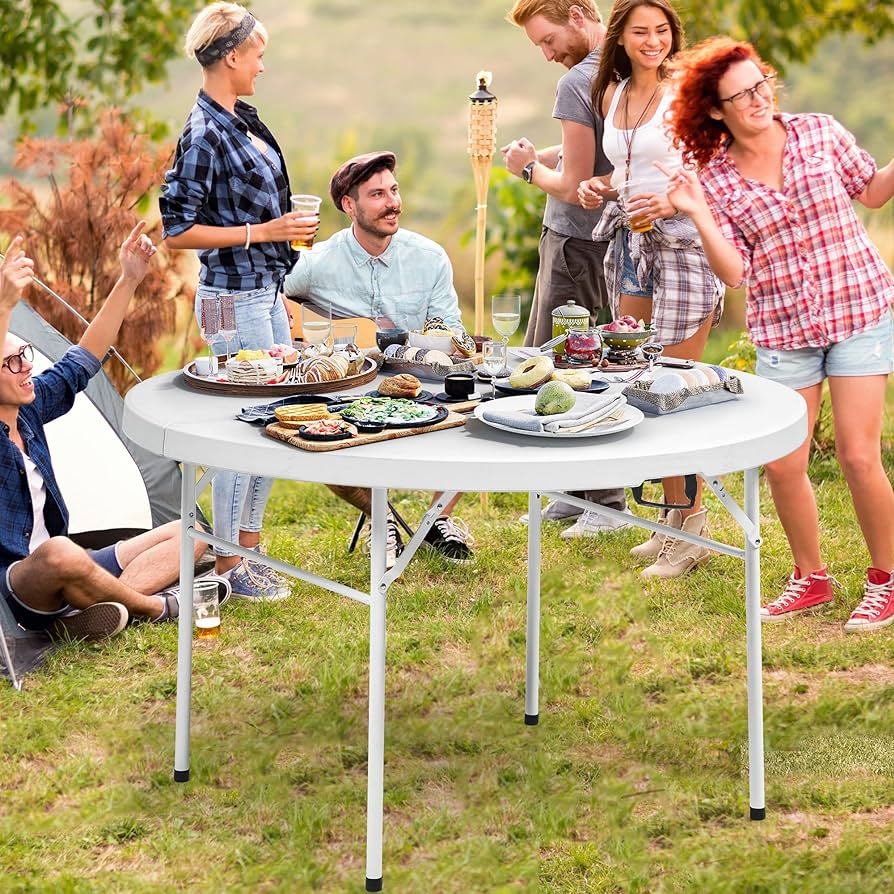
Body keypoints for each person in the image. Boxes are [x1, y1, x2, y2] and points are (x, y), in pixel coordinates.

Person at [663, 37, 894, 630]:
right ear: (715, 110)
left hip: (858, 308)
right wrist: (695, 212)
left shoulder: (820, 131)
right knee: (783, 465)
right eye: (739, 95)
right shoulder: (714, 179)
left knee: (857, 454)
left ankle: (885, 581)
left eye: (759, 84)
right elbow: (734, 273)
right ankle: (810, 579)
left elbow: (870, 190)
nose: (757, 99)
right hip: (785, 326)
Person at [0, 226, 228, 643]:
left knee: (190, 533)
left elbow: (82, 360)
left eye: (24, 355)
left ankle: (83, 616)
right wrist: (3, 306)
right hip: (18, 585)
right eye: (10, 362)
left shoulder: (28, 413)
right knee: (59, 552)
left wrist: (129, 278)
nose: (26, 366)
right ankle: (157, 608)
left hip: (68, 568)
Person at [159, 2, 317, 600]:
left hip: (264, 291)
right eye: (257, 55)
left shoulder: (240, 119)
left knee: (274, 422)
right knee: (244, 432)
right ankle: (227, 566)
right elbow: (178, 230)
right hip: (233, 300)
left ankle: (246, 548)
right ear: (231, 56)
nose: (262, 67)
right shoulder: (202, 134)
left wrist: (280, 236)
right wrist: (263, 233)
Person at [576, 0, 724, 577]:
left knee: (673, 392)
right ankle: (673, 521)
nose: (653, 41)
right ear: (621, 38)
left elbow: (717, 165)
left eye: (662, 31)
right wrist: (601, 187)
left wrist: (671, 200)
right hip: (631, 245)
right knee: (638, 380)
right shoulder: (613, 94)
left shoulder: (687, 89)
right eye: (641, 32)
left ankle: (692, 527)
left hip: (684, 245)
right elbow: (630, 168)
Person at [283, 151, 475, 567]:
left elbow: (452, 330)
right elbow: (275, 296)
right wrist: (298, 321)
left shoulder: (428, 257)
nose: (392, 202)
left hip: (418, 383)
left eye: (393, 190)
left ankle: (433, 521)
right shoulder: (318, 263)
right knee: (317, 435)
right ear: (349, 206)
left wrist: (457, 343)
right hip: (351, 386)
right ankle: (382, 516)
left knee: (480, 417)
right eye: (376, 194)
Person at [503, 0, 631, 538]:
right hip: (610, 239)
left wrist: (528, 169)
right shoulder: (624, 67)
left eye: (547, 39)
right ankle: (574, 490)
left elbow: (578, 189)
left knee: (565, 363)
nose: (547, 54)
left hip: (577, 242)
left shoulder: (577, 81)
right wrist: (553, 152)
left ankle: (604, 502)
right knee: (573, 356)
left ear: (578, 14)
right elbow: (600, 153)